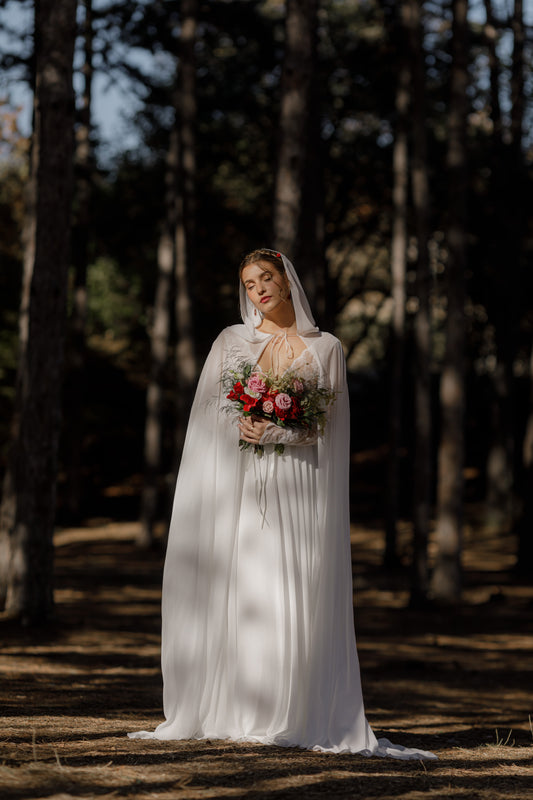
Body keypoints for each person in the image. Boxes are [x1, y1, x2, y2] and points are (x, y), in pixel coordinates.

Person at [129, 249, 436, 759]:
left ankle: (290, 710)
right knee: (247, 584)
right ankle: (237, 708)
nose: (259, 290)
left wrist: (280, 430)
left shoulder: (327, 348)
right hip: (242, 484)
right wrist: (246, 429)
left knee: (288, 583)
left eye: (266, 278)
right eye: (249, 284)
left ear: (288, 281)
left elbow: (327, 430)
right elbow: (208, 419)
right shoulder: (231, 342)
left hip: (299, 484)